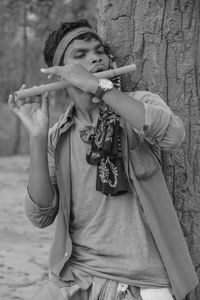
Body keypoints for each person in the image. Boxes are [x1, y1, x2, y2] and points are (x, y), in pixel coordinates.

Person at [8, 19, 198, 300]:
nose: (96, 57)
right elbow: (40, 215)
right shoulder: (58, 135)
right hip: (78, 276)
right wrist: (37, 140)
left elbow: (172, 135)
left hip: (143, 280)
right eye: (80, 55)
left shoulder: (136, 105)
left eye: (99, 50)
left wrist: (99, 87)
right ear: (60, 74)